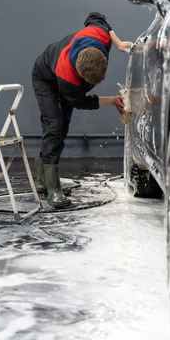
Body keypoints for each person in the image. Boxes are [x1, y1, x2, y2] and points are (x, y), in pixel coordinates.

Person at [32, 12, 132, 208]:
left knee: (63, 128)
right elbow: (81, 102)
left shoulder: (100, 35)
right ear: (80, 75)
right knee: (55, 127)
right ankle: (52, 188)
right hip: (45, 78)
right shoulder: (67, 77)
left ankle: (44, 181)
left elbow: (96, 16)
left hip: (65, 77)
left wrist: (118, 42)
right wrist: (113, 100)